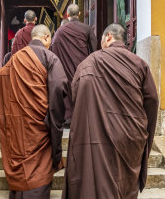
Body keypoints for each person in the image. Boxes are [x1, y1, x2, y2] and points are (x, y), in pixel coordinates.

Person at [62, 23, 159, 199]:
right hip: (130, 136)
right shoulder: (139, 64)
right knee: (124, 185)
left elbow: (75, 97)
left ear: (108, 37)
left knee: (96, 184)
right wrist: (144, 135)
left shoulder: (88, 63)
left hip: (96, 135)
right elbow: (151, 101)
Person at [0, 25, 68, 199]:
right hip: (40, 127)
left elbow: (1, 78)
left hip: (20, 125)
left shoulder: (15, 58)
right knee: (39, 169)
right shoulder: (50, 57)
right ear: (47, 37)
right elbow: (58, 90)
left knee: (21, 161)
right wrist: (55, 121)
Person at [50, 4, 97, 123]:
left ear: (68, 15)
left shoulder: (60, 31)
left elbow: (54, 47)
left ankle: (69, 117)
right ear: (79, 14)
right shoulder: (86, 28)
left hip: (66, 67)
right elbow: (94, 49)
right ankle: (83, 117)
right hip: (83, 66)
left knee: (68, 89)